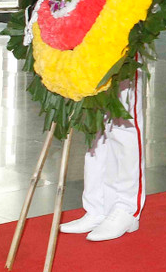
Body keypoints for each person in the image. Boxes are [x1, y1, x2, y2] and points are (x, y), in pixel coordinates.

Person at [59, 72, 146, 241]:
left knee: (124, 122)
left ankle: (126, 208)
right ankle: (97, 207)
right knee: (96, 123)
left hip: (123, 50)